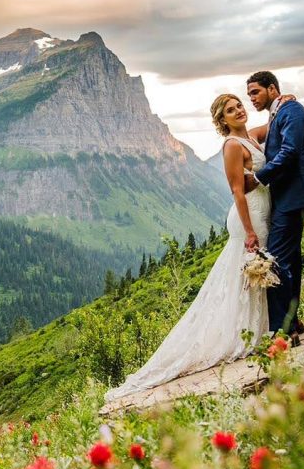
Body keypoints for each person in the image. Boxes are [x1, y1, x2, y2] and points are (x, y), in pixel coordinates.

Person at [104, 93, 274, 402]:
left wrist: (282, 101)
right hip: (249, 215)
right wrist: (249, 231)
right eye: (230, 110)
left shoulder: (250, 137)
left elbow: (271, 123)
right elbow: (237, 191)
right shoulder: (233, 146)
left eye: (239, 106)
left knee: (249, 276)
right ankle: (242, 336)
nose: (238, 111)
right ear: (222, 121)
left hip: (262, 211)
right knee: (248, 273)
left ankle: (255, 331)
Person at [247, 71, 304, 345]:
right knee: (290, 260)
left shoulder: (291, 111)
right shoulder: (280, 111)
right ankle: (292, 321)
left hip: (293, 198)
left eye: (255, 92)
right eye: (249, 95)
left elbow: (289, 152)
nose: (252, 99)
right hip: (288, 198)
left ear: (272, 89)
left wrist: (258, 177)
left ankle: (283, 329)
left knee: (276, 260)